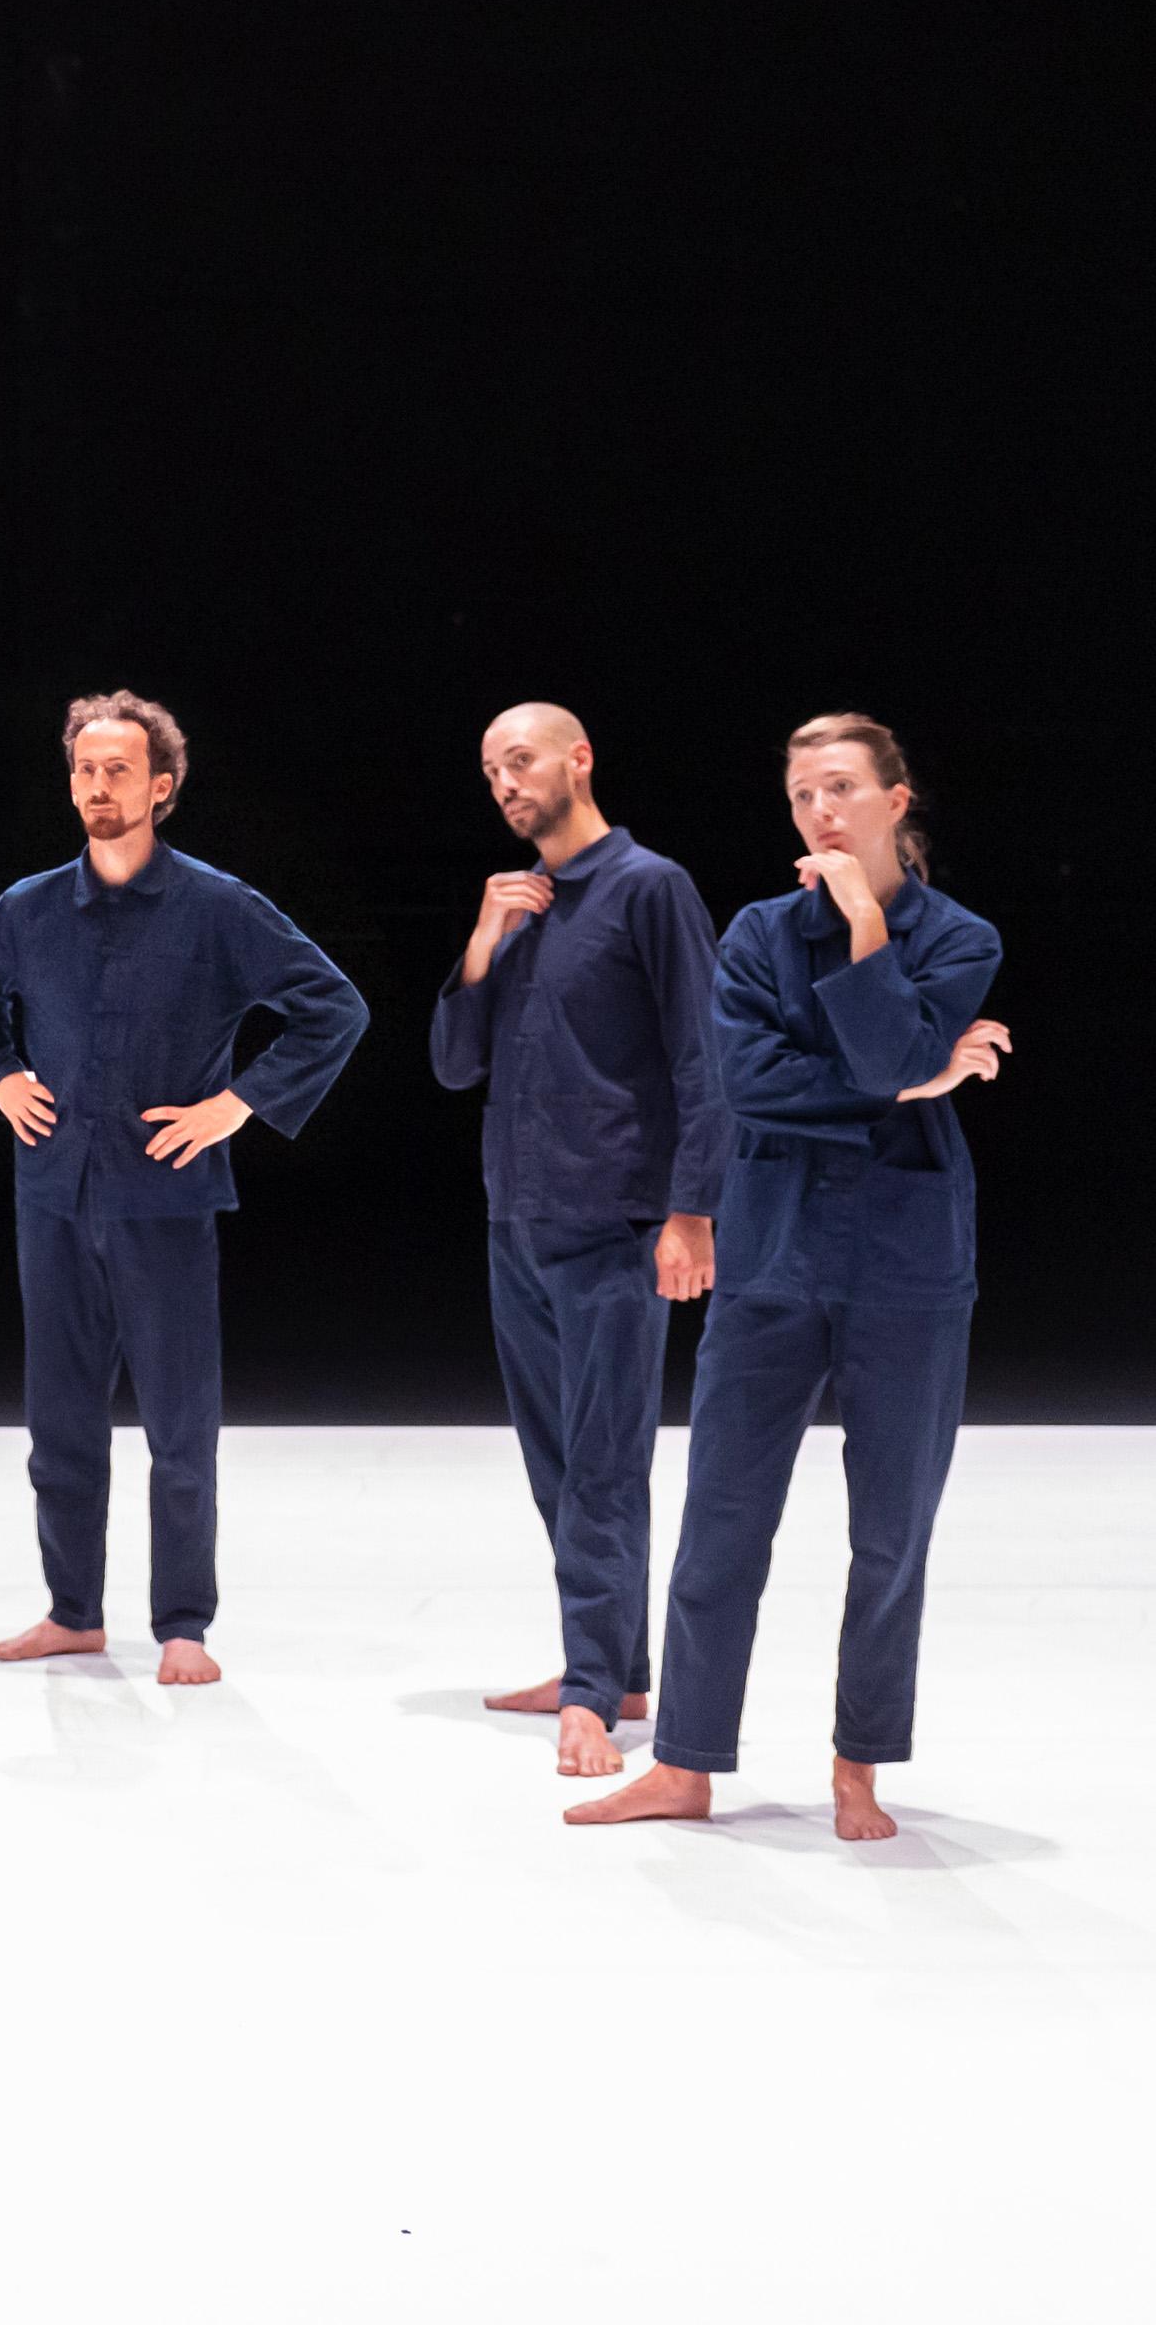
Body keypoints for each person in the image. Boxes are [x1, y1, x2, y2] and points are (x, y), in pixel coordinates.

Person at [568, 715, 1005, 1844]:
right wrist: (915, 1080)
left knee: (890, 1529)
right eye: (802, 792)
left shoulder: (959, 938)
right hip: (768, 1255)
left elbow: (871, 1055)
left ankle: (857, 1763)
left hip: (907, 1265)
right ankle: (683, 1761)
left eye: (841, 788)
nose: (819, 811)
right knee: (720, 1517)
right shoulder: (758, 933)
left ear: (894, 799)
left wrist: (867, 931)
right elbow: (750, 1085)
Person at [0, 691, 367, 1685]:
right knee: (58, 1420)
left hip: (163, 1202)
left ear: (159, 785)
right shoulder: (28, 907)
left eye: (117, 770)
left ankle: (182, 1623)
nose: (96, 786)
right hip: (51, 1195)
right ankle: (71, 1611)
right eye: (83, 769)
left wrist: (239, 1104)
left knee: (178, 1423)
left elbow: (330, 1008)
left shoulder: (215, 907)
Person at [428, 704, 725, 1776]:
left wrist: (690, 1212)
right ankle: (610, 1664)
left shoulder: (649, 888)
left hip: (615, 1225)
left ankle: (592, 1694)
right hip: (517, 1216)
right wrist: (479, 943)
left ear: (577, 758)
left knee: (602, 1466)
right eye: (487, 767)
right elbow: (454, 1065)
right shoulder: (522, 908)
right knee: (556, 1466)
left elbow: (702, 1059)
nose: (504, 781)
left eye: (520, 759)